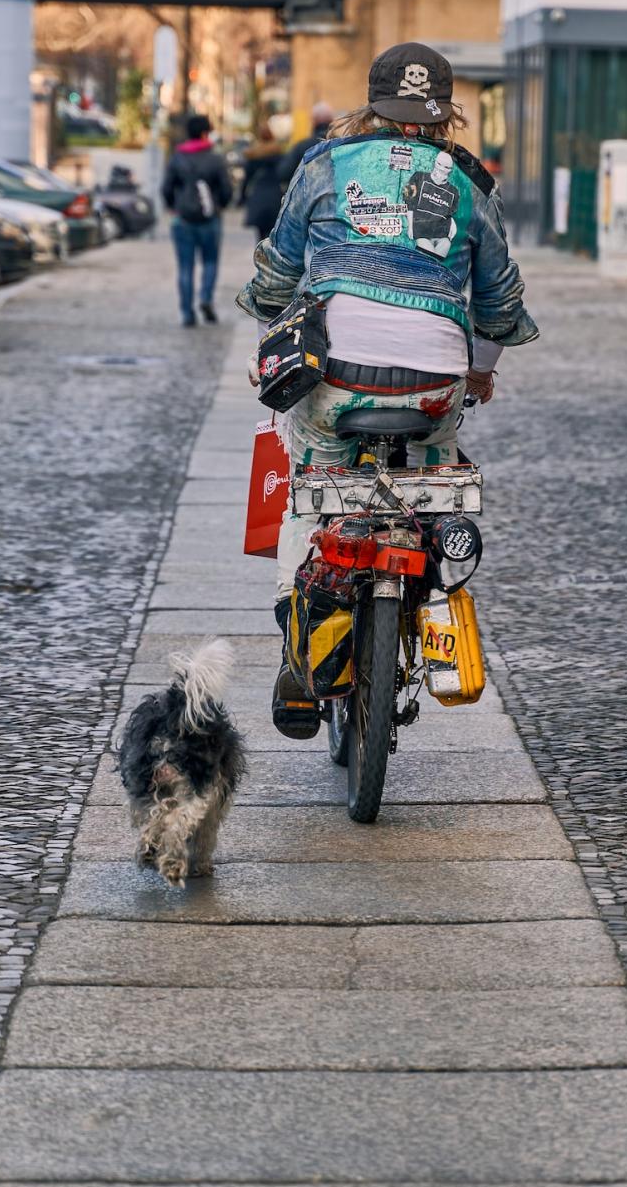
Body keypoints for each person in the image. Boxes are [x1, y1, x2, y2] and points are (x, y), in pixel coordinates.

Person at [237, 42, 538, 737]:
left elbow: (276, 272)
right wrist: (481, 369)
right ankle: (426, 579)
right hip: (434, 377)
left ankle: (299, 649)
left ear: (371, 105)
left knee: (308, 480)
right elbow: (499, 298)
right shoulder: (468, 180)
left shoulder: (324, 165)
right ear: (444, 113)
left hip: (335, 372)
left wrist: (267, 332)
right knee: (432, 468)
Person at [161, 113, 233, 328]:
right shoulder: (215, 158)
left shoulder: (177, 157)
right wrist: (220, 205)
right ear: (204, 133)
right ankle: (206, 299)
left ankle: (186, 313)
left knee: (185, 267)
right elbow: (227, 190)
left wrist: (174, 206)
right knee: (210, 262)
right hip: (210, 219)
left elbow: (166, 188)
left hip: (183, 219)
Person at [239, 118, 288, 242]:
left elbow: (246, 180)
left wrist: (242, 197)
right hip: (274, 196)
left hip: (258, 196)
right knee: (273, 235)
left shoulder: (253, 155)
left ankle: (261, 257)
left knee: (260, 237)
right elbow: (286, 174)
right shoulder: (279, 154)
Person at [279, 101, 334, 187]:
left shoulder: (301, 147)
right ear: (331, 121)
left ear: (313, 121)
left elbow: (283, 173)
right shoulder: (341, 145)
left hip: (308, 196)